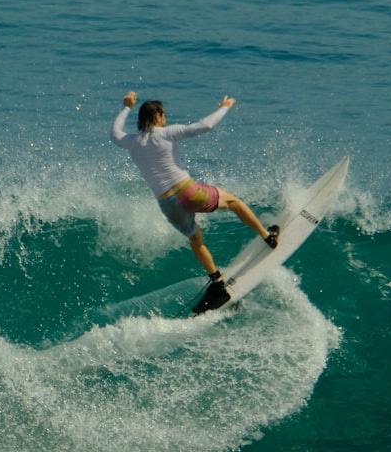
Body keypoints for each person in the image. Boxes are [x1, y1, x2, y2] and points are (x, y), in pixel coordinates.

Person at [110, 91, 279, 311]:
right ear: (158, 116)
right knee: (234, 203)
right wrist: (225, 106)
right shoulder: (166, 133)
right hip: (188, 191)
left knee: (195, 239)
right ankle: (268, 237)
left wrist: (125, 107)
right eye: (164, 114)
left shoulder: (132, 142)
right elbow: (206, 125)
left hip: (167, 204)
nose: (165, 118)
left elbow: (114, 134)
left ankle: (217, 282)